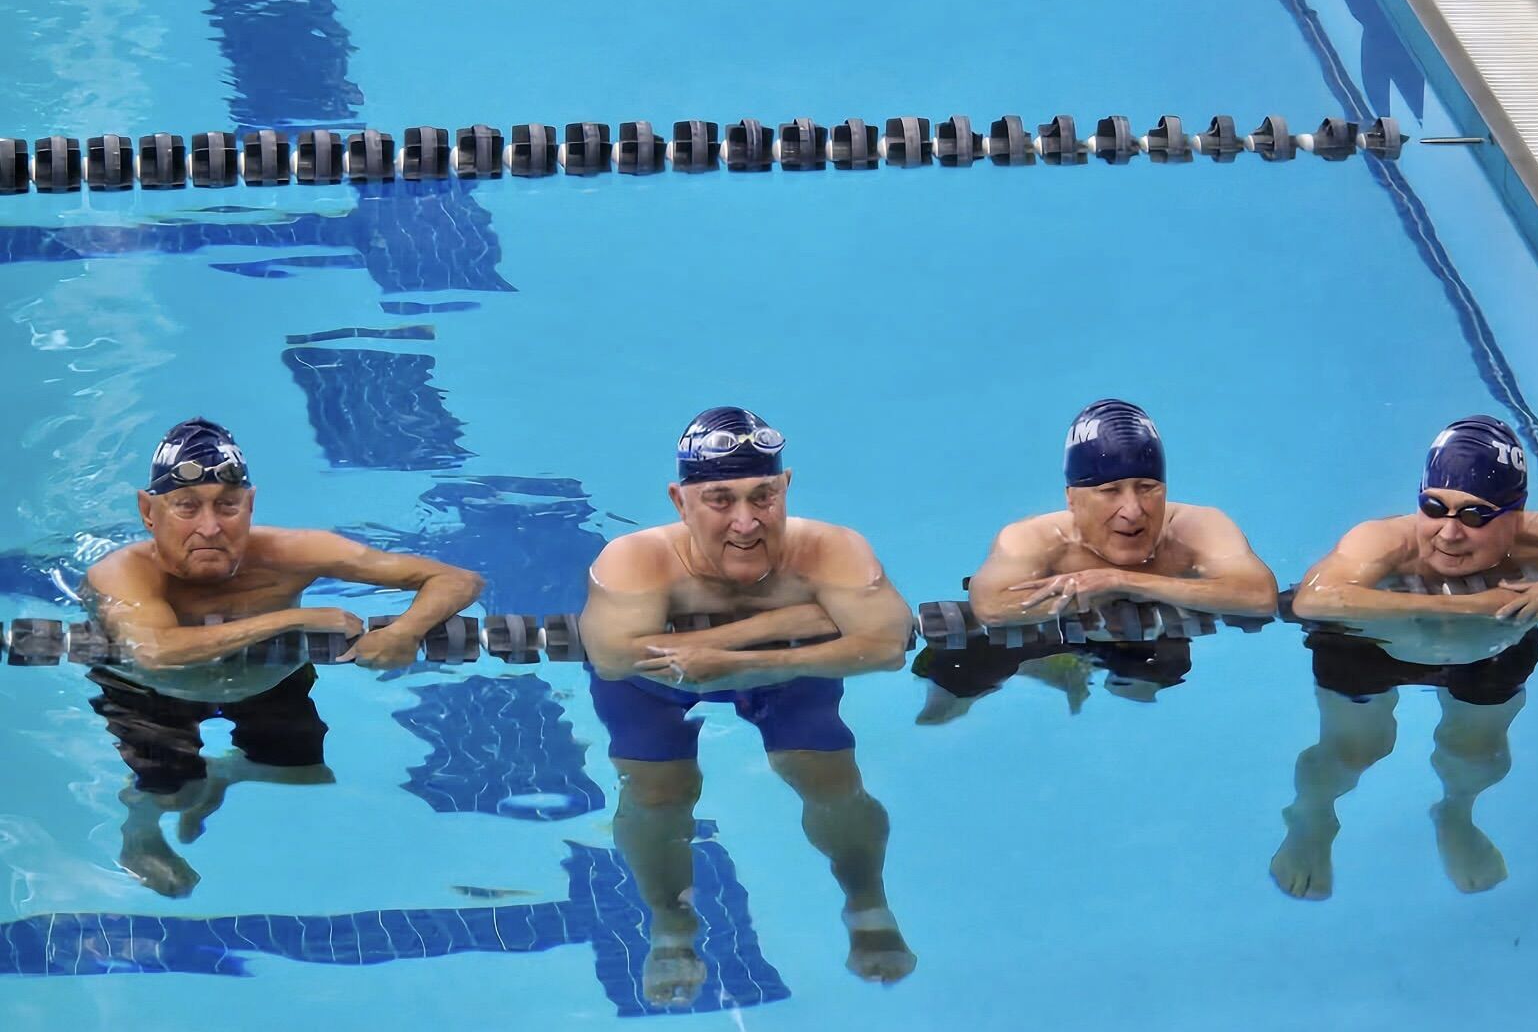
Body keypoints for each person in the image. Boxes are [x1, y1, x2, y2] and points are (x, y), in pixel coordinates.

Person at [579, 407, 916, 1006]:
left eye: (763, 497)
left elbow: (888, 647)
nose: (745, 523)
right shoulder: (636, 558)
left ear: (785, 488)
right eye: (719, 500)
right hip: (657, 682)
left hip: (785, 668)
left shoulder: (830, 549)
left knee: (831, 780)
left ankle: (866, 900)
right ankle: (672, 922)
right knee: (659, 795)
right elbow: (611, 657)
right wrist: (797, 620)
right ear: (680, 501)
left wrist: (729, 658)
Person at [83, 417, 483, 897]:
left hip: (267, 679)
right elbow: (157, 650)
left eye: (227, 506)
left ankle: (224, 771)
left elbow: (458, 580)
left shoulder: (293, 551)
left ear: (249, 504)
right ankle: (139, 835)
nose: (209, 527)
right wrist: (291, 619)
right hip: (152, 692)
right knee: (170, 792)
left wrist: (406, 631)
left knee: (304, 774)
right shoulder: (121, 573)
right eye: (186, 507)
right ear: (149, 512)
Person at [1273, 415, 1538, 899]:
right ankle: (1311, 816)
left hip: (1492, 651)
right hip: (1369, 647)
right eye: (1434, 507)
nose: (1448, 533)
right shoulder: (1384, 542)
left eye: (1474, 515)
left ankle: (1455, 812)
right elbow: (1314, 601)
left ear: (1516, 514)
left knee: (1479, 756)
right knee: (1355, 751)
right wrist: (1469, 608)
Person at [913, 399, 1277, 722]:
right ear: (1073, 499)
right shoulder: (1035, 539)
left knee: (1153, 678)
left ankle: (1069, 666)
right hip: (1043, 631)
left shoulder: (1198, 527)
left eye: (1147, 488)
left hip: (1148, 633)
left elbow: (1260, 597)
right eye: (1109, 491)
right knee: (948, 692)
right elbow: (991, 606)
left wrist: (1119, 581)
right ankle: (1045, 666)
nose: (1132, 511)